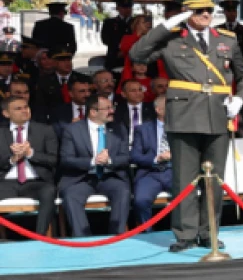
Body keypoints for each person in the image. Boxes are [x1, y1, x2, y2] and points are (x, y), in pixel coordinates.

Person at [128, 0, 243, 252]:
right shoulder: (172, 38)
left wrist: (240, 99)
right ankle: (185, 234)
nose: (206, 14)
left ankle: (209, 232)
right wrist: (165, 25)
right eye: (199, 10)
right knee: (184, 178)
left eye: (209, 10)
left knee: (214, 179)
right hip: (184, 115)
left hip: (217, 115)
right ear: (187, 13)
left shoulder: (227, 40)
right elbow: (137, 54)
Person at [55, 91, 131, 237]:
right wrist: (92, 161)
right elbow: (66, 159)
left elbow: (126, 158)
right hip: (81, 178)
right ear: (93, 112)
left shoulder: (118, 128)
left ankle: (117, 237)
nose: (112, 111)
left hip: (110, 176)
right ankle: (83, 239)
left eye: (112, 107)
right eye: (107, 108)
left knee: (123, 191)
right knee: (71, 196)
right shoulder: (72, 130)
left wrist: (109, 161)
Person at [0, 94, 58, 234]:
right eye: (18, 108)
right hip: (6, 183)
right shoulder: (0, 133)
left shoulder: (45, 130)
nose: (24, 111)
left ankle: (40, 237)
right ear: (6, 113)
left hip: (35, 182)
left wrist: (30, 153)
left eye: (26, 107)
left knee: (49, 190)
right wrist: (13, 159)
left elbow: (54, 160)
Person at [124, 90, 173, 226]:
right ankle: (147, 233)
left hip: (174, 171)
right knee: (141, 200)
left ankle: (183, 232)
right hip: (150, 173)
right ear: (158, 110)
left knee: (186, 198)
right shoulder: (143, 129)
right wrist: (156, 159)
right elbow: (134, 156)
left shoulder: (182, 128)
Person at [101, 0, 134, 72]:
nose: (127, 10)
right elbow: (105, 39)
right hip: (114, 58)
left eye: (129, 7)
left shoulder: (136, 22)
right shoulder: (109, 22)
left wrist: (126, 50)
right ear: (118, 8)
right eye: (124, 7)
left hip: (132, 58)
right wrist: (120, 47)